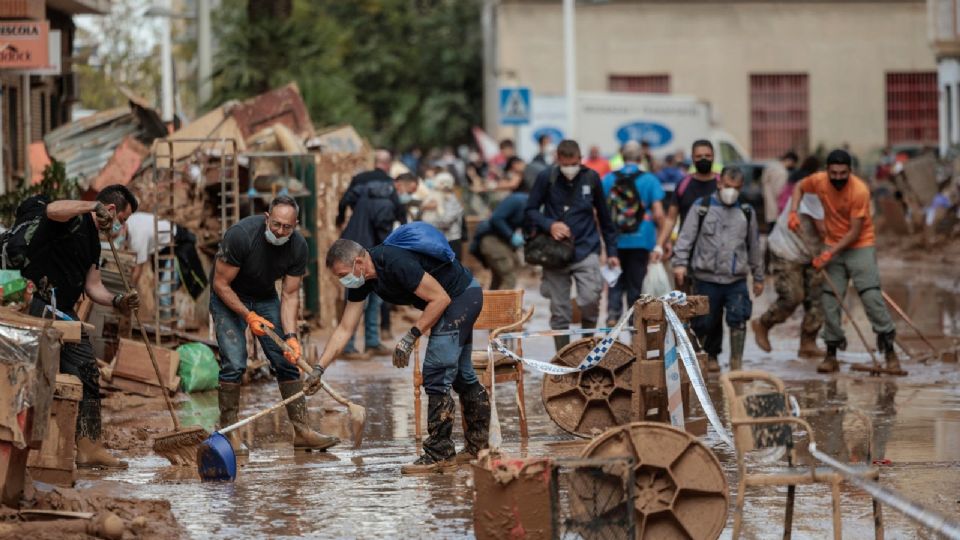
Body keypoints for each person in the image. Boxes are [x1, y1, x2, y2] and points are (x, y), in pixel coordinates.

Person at [310, 237, 488, 473]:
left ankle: (440, 454)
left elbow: (440, 298)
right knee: (462, 375)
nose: (344, 281)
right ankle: (479, 448)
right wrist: (318, 369)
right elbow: (344, 329)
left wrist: (410, 336)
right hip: (453, 300)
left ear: (359, 262)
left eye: (344, 274)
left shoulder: (394, 262)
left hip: (461, 297)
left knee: (436, 370)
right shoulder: (362, 281)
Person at [211, 196, 339, 456]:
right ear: (267, 217)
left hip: (265, 296)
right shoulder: (241, 236)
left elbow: (290, 295)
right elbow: (220, 284)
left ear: (296, 225)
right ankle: (229, 431)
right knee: (235, 362)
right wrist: (248, 316)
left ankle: (302, 431)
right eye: (276, 224)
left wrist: (291, 336)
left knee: (288, 360)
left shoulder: (298, 247)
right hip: (229, 296)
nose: (281, 231)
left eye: (287, 227)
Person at [25, 184, 141, 468]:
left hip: (64, 311)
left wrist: (117, 300)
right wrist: (91, 207)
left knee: (86, 371)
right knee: (44, 375)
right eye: (122, 220)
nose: (121, 228)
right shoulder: (74, 219)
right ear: (110, 210)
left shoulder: (94, 242)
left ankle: (88, 447)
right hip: (44, 307)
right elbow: (52, 209)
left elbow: (93, 286)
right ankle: (38, 447)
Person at [788, 149, 900, 374]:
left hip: (860, 245)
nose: (838, 177)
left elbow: (855, 231)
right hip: (832, 244)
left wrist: (829, 254)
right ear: (827, 171)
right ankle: (831, 355)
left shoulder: (859, 191)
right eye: (834, 173)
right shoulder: (818, 182)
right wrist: (793, 211)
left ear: (850, 171)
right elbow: (799, 186)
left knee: (871, 297)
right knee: (829, 301)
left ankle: (890, 354)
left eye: (843, 173)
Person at [525, 139, 620, 351]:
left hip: (587, 249)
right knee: (560, 311)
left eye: (574, 163)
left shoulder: (591, 178)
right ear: (558, 160)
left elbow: (605, 218)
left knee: (590, 299)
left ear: (581, 159)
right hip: (555, 253)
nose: (570, 168)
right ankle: (563, 357)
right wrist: (550, 225)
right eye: (565, 164)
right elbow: (530, 209)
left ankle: (587, 350)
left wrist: (612, 251)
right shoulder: (546, 177)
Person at [672, 167, 763, 372]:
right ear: (720, 183)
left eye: (736, 188)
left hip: (735, 278)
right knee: (705, 322)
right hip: (706, 277)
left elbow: (754, 246)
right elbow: (685, 238)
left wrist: (758, 277)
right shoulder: (701, 207)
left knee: (738, 318)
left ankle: (736, 365)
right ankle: (708, 359)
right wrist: (679, 264)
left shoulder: (746, 212)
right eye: (728, 186)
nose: (731, 191)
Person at [338, 158, 407, 360]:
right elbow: (384, 234)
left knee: (373, 297)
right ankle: (348, 346)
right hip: (360, 254)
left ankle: (372, 341)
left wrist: (339, 218)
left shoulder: (365, 194)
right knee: (358, 299)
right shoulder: (386, 204)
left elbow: (344, 201)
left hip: (355, 247)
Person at [752, 194, 825, 358]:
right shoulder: (815, 192)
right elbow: (824, 229)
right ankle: (764, 323)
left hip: (813, 252)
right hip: (787, 248)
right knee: (793, 296)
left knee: (817, 298)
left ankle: (808, 342)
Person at [602, 141, 665, 325]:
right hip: (642, 239)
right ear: (640, 158)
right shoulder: (650, 180)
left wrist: (604, 242)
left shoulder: (608, 179)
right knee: (635, 286)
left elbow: (600, 213)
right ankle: (634, 326)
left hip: (615, 240)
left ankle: (613, 318)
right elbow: (659, 213)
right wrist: (662, 241)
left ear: (622, 156)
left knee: (614, 283)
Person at [655, 140, 720, 262]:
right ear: (692, 158)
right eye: (699, 156)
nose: (703, 159)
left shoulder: (722, 184)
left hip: (717, 252)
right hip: (687, 252)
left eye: (707, 156)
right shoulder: (684, 184)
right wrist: (659, 245)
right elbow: (670, 218)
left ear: (713, 157)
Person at [471, 180, 529, 290]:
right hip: (492, 239)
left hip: (502, 241)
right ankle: (503, 306)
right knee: (509, 277)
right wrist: (511, 235)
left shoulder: (531, 205)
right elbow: (496, 218)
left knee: (500, 277)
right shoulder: (518, 200)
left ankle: (491, 306)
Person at [420, 171, 465, 259]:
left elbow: (446, 221)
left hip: (451, 240)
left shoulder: (452, 200)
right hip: (438, 239)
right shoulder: (436, 197)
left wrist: (429, 224)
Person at [760, 151, 798, 227]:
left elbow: (763, 182)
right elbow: (780, 192)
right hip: (777, 210)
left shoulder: (770, 167)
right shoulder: (782, 173)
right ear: (790, 161)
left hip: (769, 207)